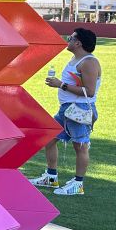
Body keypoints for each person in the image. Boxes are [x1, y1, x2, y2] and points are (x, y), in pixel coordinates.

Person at [31, 28, 103, 196]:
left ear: (78, 43)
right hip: (66, 110)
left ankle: (78, 184)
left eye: (71, 37)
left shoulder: (89, 62)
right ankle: (51, 177)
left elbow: (89, 91)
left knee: (80, 146)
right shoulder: (75, 59)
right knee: (49, 138)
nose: (67, 39)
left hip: (79, 110)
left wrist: (61, 85)